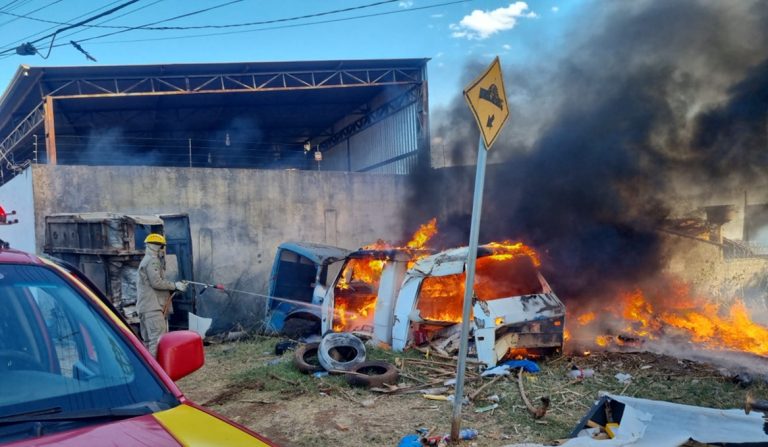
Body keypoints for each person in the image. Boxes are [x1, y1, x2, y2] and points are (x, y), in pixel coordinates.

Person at [136, 233, 187, 356]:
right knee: (157, 341)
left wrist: (174, 287)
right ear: (159, 247)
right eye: (161, 247)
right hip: (153, 308)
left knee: (148, 342)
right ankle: (156, 372)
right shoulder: (153, 261)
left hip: (146, 308)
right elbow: (157, 282)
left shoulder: (146, 260)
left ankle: (149, 370)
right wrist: (175, 285)